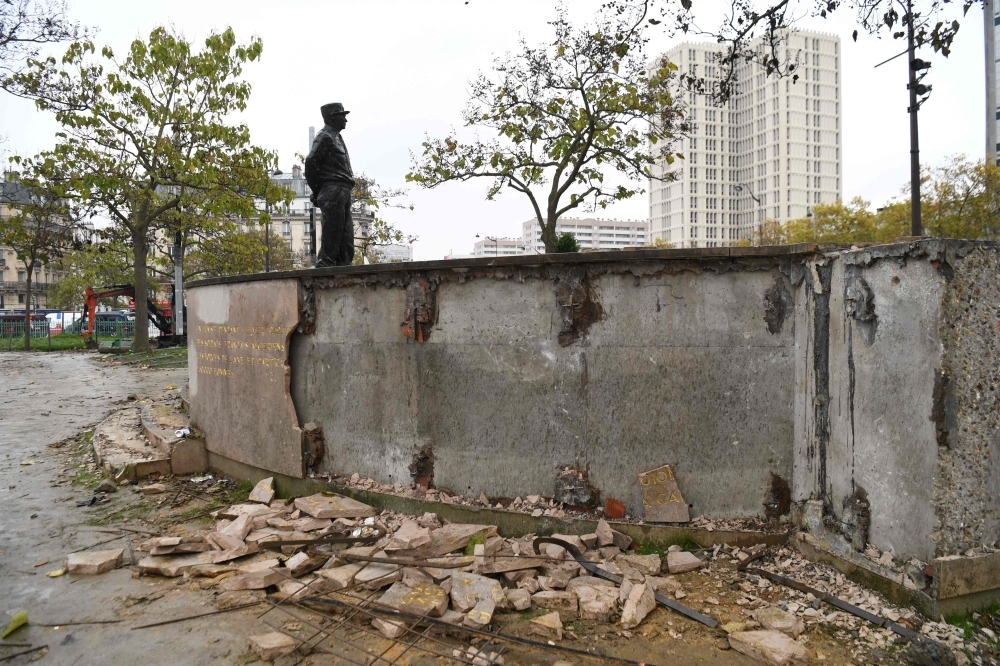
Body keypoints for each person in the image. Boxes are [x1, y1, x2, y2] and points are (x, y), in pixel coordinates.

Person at [304, 102, 356, 267]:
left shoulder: (336, 136)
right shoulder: (325, 136)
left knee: (346, 240)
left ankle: (344, 267)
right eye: (343, 116)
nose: (346, 120)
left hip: (343, 191)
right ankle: (324, 273)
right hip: (333, 191)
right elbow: (311, 162)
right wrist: (317, 190)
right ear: (333, 118)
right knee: (332, 239)